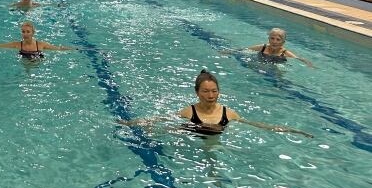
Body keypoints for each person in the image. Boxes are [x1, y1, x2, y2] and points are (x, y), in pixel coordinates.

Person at [119, 70, 312, 138]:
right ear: (197, 93)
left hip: (214, 140)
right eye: (205, 91)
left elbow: (260, 125)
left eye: (214, 91)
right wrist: (131, 124)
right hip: (191, 133)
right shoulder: (189, 111)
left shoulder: (229, 113)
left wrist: (292, 130)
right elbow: (161, 119)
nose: (211, 95)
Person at [0, 21, 75, 59]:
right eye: (23, 32)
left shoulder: (41, 45)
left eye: (28, 32)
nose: (25, 34)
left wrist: (74, 49)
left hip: (38, 65)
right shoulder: (17, 45)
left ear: (33, 33)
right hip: (25, 64)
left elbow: (58, 49)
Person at [245, 28, 313, 67]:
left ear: (283, 42)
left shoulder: (284, 53)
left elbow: (298, 58)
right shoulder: (263, 47)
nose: (274, 41)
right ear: (268, 39)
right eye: (272, 38)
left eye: (278, 39)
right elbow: (245, 49)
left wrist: (308, 64)